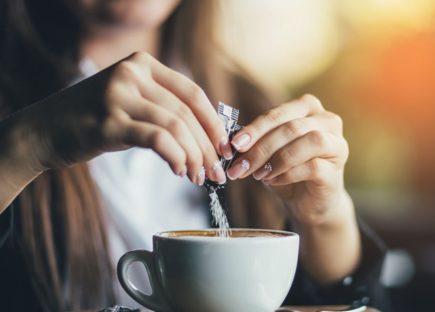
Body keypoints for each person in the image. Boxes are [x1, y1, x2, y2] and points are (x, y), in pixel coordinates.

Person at [0, 0, 386, 311]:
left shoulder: (253, 105)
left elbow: (355, 302)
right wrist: (28, 143)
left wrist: (325, 219)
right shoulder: (17, 121)